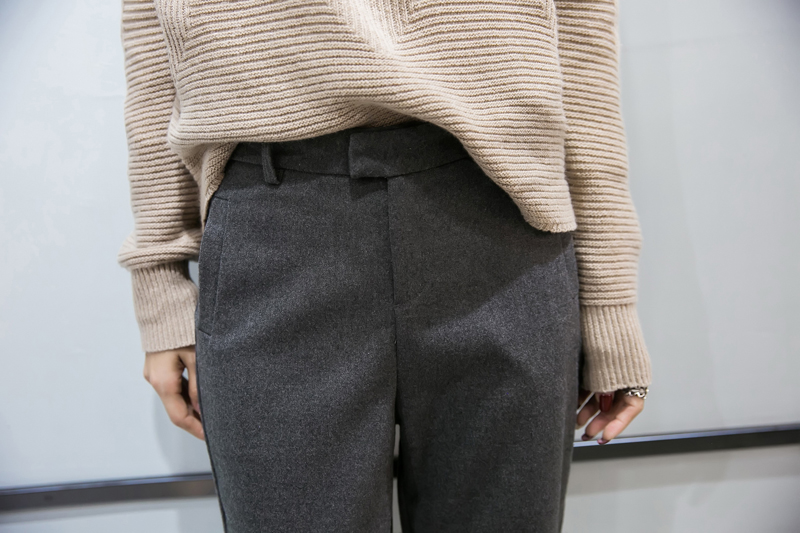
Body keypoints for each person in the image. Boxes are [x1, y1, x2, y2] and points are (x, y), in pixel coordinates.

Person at [119, 0, 652, 531]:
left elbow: (581, 48)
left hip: (503, 218)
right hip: (274, 231)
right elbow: (153, 44)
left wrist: (610, 302)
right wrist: (159, 281)